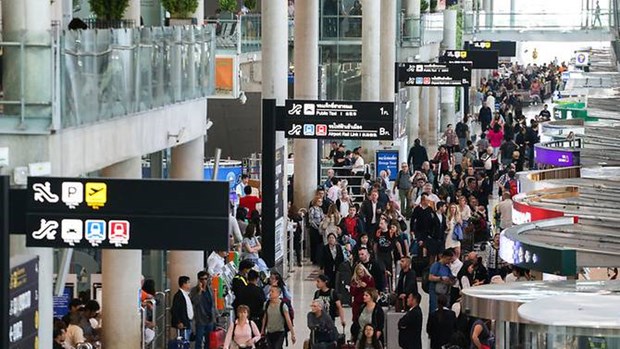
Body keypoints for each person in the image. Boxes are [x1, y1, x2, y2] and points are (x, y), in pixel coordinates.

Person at [191, 271, 217, 349]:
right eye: (202, 279)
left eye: (206, 279)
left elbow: (213, 304)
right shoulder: (194, 290)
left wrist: (216, 316)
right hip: (200, 319)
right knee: (199, 339)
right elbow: (194, 302)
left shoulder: (210, 289)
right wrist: (199, 291)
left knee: (208, 340)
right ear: (199, 280)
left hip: (210, 318)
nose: (204, 281)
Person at [171, 276, 194, 341]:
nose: (190, 284)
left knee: (187, 340)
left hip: (188, 321)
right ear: (184, 284)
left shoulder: (186, 294)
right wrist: (179, 322)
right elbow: (174, 310)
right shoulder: (178, 295)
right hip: (183, 323)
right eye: (188, 282)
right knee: (184, 341)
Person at [309, 196, 326, 265]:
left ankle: (319, 258)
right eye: (319, 201)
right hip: (314, 229)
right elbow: (311, 220)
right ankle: (314, 259)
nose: (320, 202)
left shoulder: (320, 209)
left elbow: (322, 218)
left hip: (320, 228)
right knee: (314, 244)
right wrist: (316, 227)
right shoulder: (312, 209)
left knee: (319, 244)